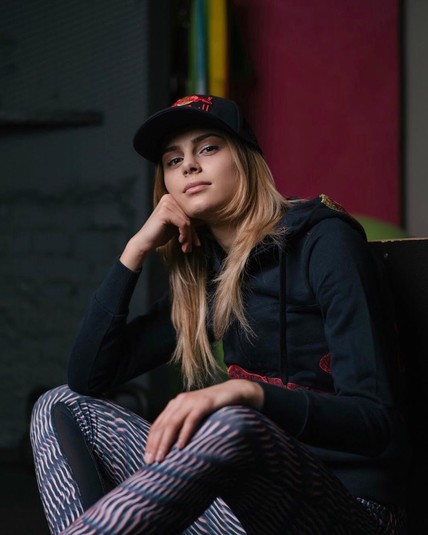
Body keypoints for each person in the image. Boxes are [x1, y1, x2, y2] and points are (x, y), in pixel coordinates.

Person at [31, 95, 408, 534]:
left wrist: (247, 395)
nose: (189, 166)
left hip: (352, 509)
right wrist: (135, 250)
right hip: (247, 508)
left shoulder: (324, 243)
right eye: (174, 160)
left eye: (208, 148)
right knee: (61, 404)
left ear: (244, 160)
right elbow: (88, 376)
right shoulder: (209, 280)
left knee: (234, 422)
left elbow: (377, 421)